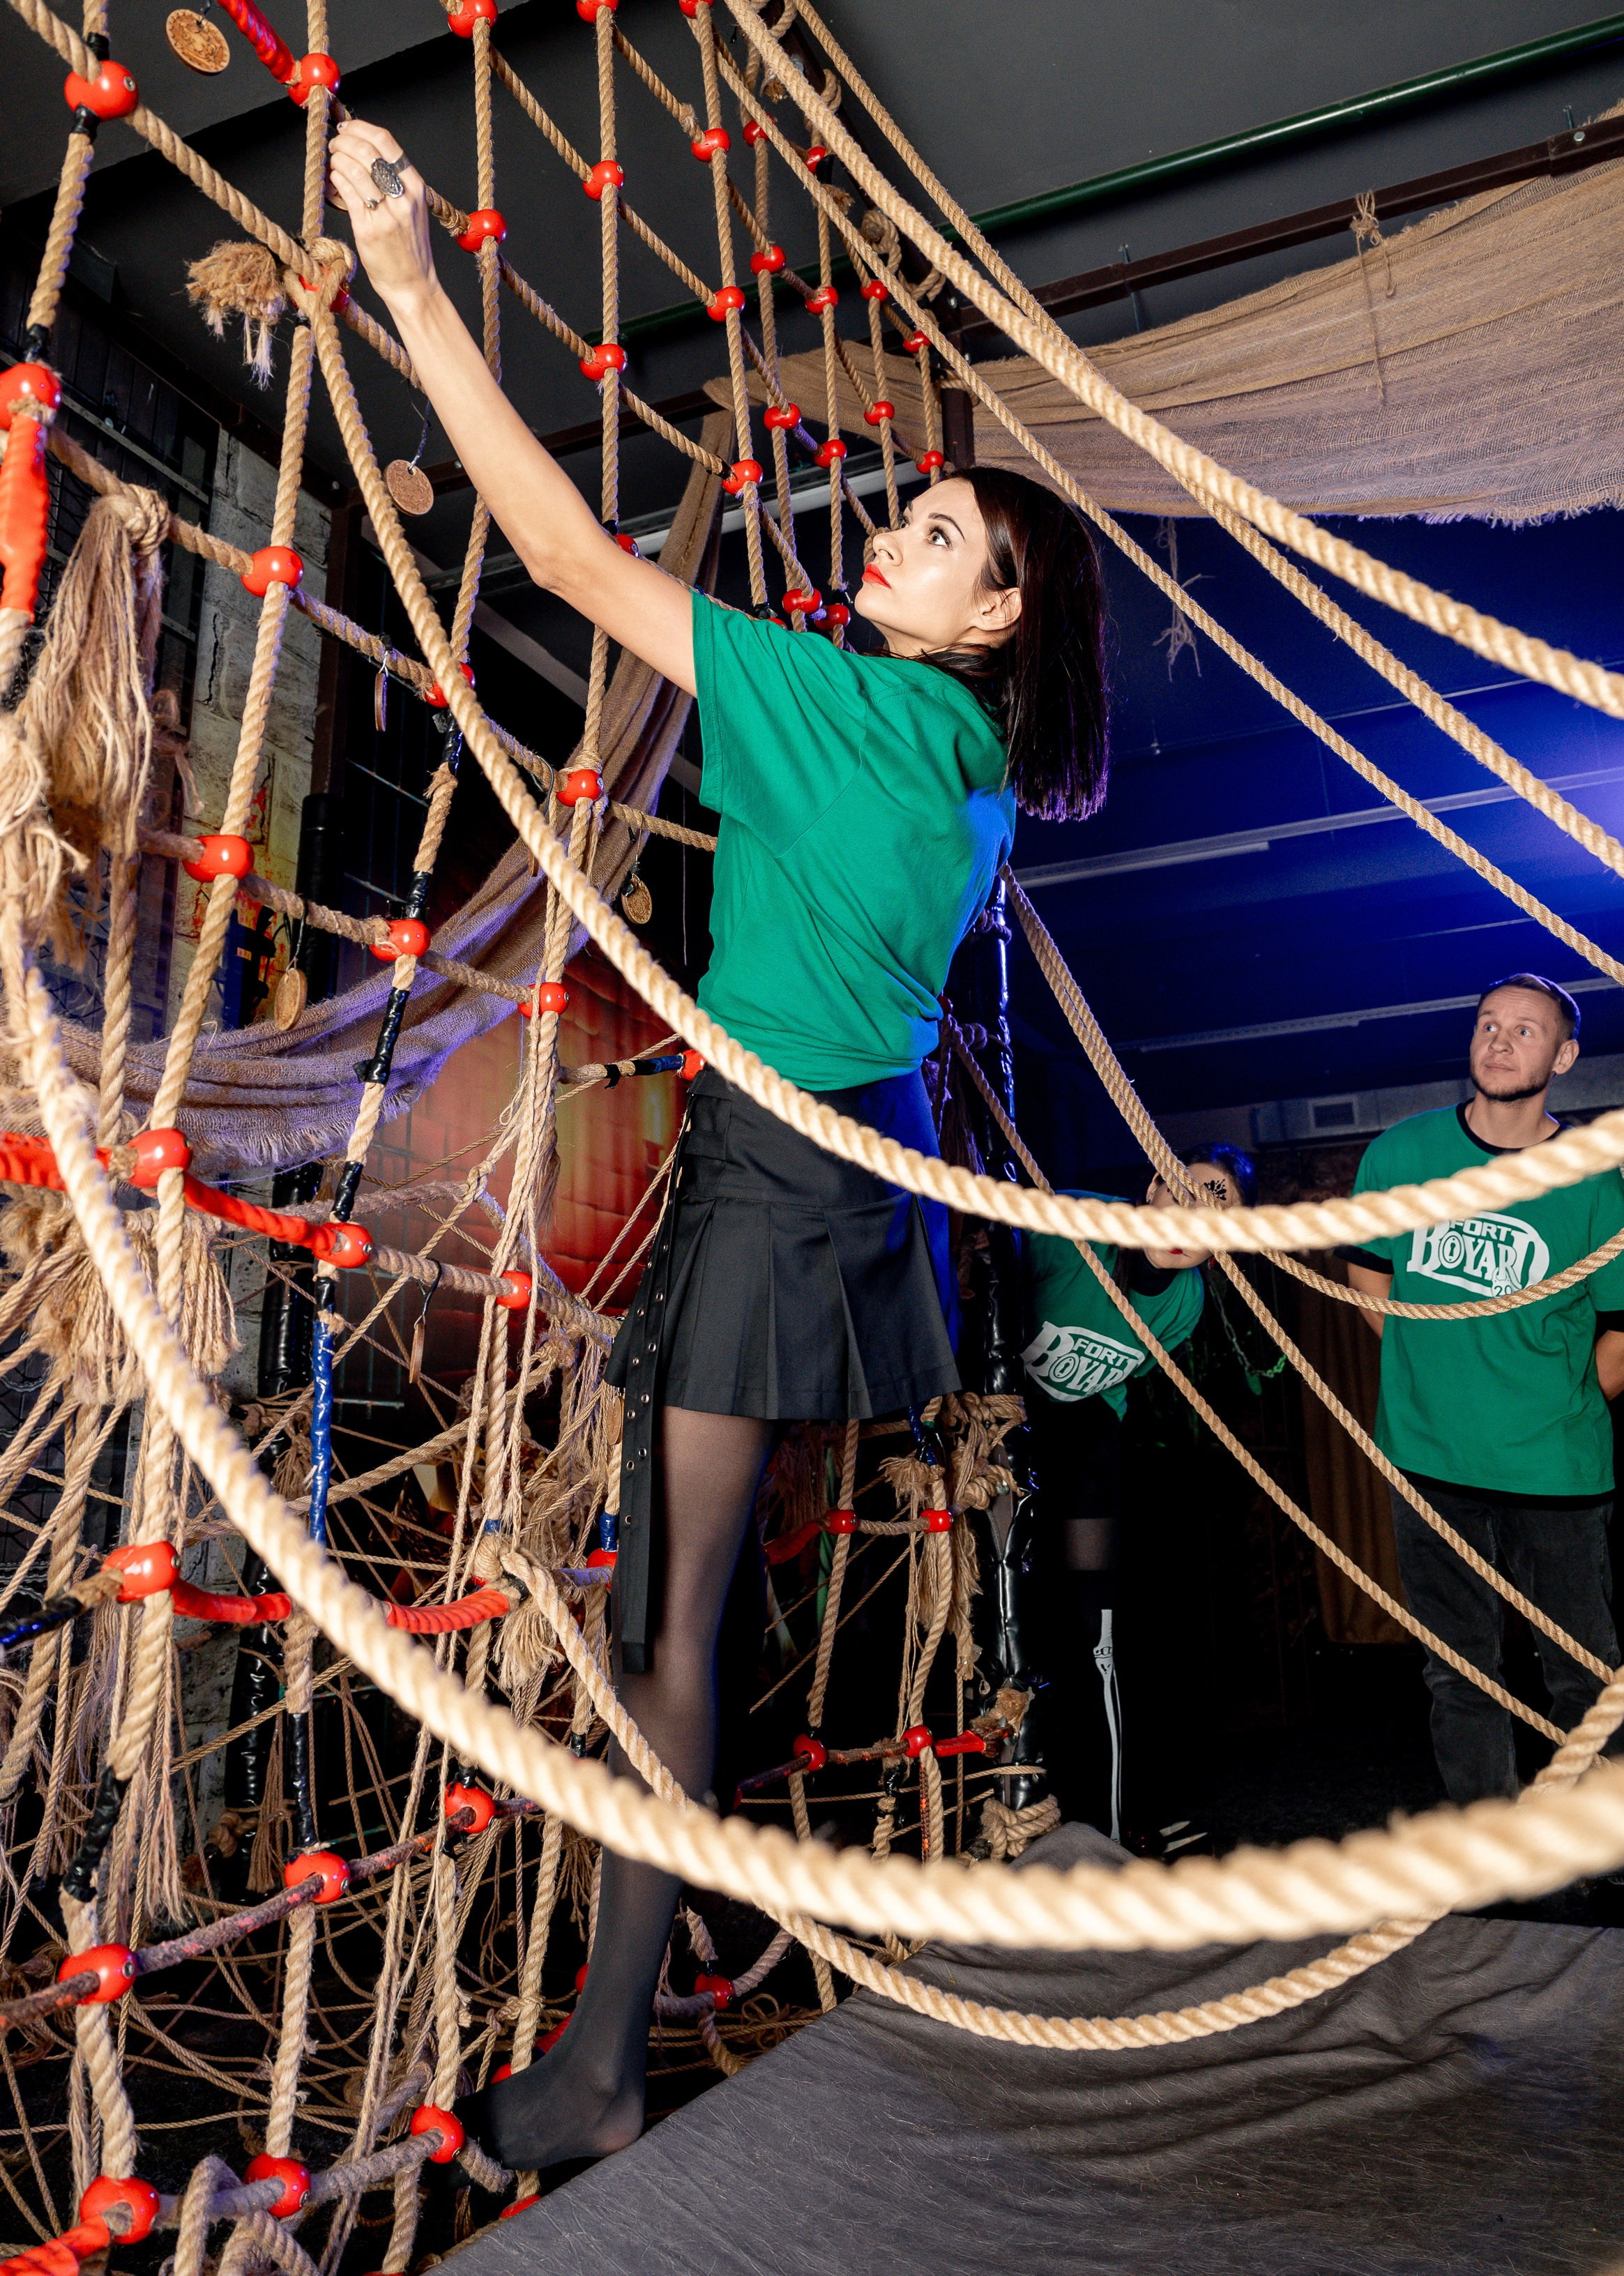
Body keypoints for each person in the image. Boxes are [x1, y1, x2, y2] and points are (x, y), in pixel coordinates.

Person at [327, 119, 1111, 2172]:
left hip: (778, 1171)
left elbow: (576, 566)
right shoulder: (970, 780)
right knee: (700, 1595)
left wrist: (413, 293)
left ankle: (596, 2064)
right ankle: (659, 1961)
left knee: (667, 1608)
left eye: (939, 533)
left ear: (992, 612)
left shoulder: (842, 706)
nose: (898, 532)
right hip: (861, 1171)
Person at [1346, 974, 1624, 1805]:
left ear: (1564, 1056)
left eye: (1525, 1030)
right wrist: (1439, 1378)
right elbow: (1366, 1279)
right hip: (1431, 1461)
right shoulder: (1401, 1153)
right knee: (1458, 1671)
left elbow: (1619, 1329)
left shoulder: (1592, 1178)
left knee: (1584, 1676)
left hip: (1557, 1470)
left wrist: (1557, 1403)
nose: (1499, 1042)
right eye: (1488, 1024)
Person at [1022, 1144, 1250, 1842]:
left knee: (1095, 1619)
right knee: (1009, 1613)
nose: (1195, 1216)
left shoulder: (1186, 1304)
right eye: (1189, 1190)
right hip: (1002, 1411)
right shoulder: (1074, 1224)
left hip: (1084, 1426)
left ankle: (1111, 1820)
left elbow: (1113, 1382)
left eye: (1221, 1207)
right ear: (1152, 1184)